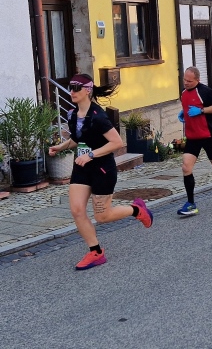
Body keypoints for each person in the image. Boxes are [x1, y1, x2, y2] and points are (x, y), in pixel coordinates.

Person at [47, 74, 153, 270]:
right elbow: (78, 138)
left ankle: (137, 210)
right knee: (77, 210)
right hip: (81, 168)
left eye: (76, 88)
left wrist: (91, 155)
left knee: (102, 216)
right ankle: (95, 252)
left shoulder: (99, 116)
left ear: (88, 90)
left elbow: (117, 142)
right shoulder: (72, 114)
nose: (71, 92)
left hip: (102, 169)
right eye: (70, 88)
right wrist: (60, 147)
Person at [177, 67, 212, 216]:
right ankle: (191, 203)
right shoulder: (183, 93)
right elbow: (187, 106)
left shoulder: (205, 91)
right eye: (184, 79)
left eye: (189, 81)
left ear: (197, 80)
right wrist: (184, 113)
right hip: (192, 137)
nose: (186, 83)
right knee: (186, 167)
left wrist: (201, 111)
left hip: (208, 135)